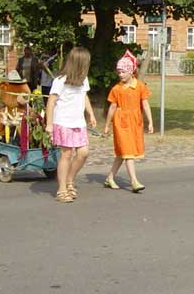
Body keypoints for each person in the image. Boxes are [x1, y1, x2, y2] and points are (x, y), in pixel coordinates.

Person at [45, 47, 97, 203]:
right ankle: (62, 190)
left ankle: (69, 179)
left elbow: (84, 97)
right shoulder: (60, 81)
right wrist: (49, 124)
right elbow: (51, 102)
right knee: (66, 154)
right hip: (63, 122)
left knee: (83, 153)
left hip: (78, 123)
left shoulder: (83, 80)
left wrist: (91, 114)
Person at [103, 51, 154, 193]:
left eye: (123, 72)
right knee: (128, 152)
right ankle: (134, 181)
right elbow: (112, 107)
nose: (120, 74)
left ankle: (110, 178)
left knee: (122, 153)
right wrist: (107, 125)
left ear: (131, 72)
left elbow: (145, 104)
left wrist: (150, 121)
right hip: (121, 122)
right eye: (118, 72)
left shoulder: (140, 86)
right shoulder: (116, 89)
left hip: (135, 121)